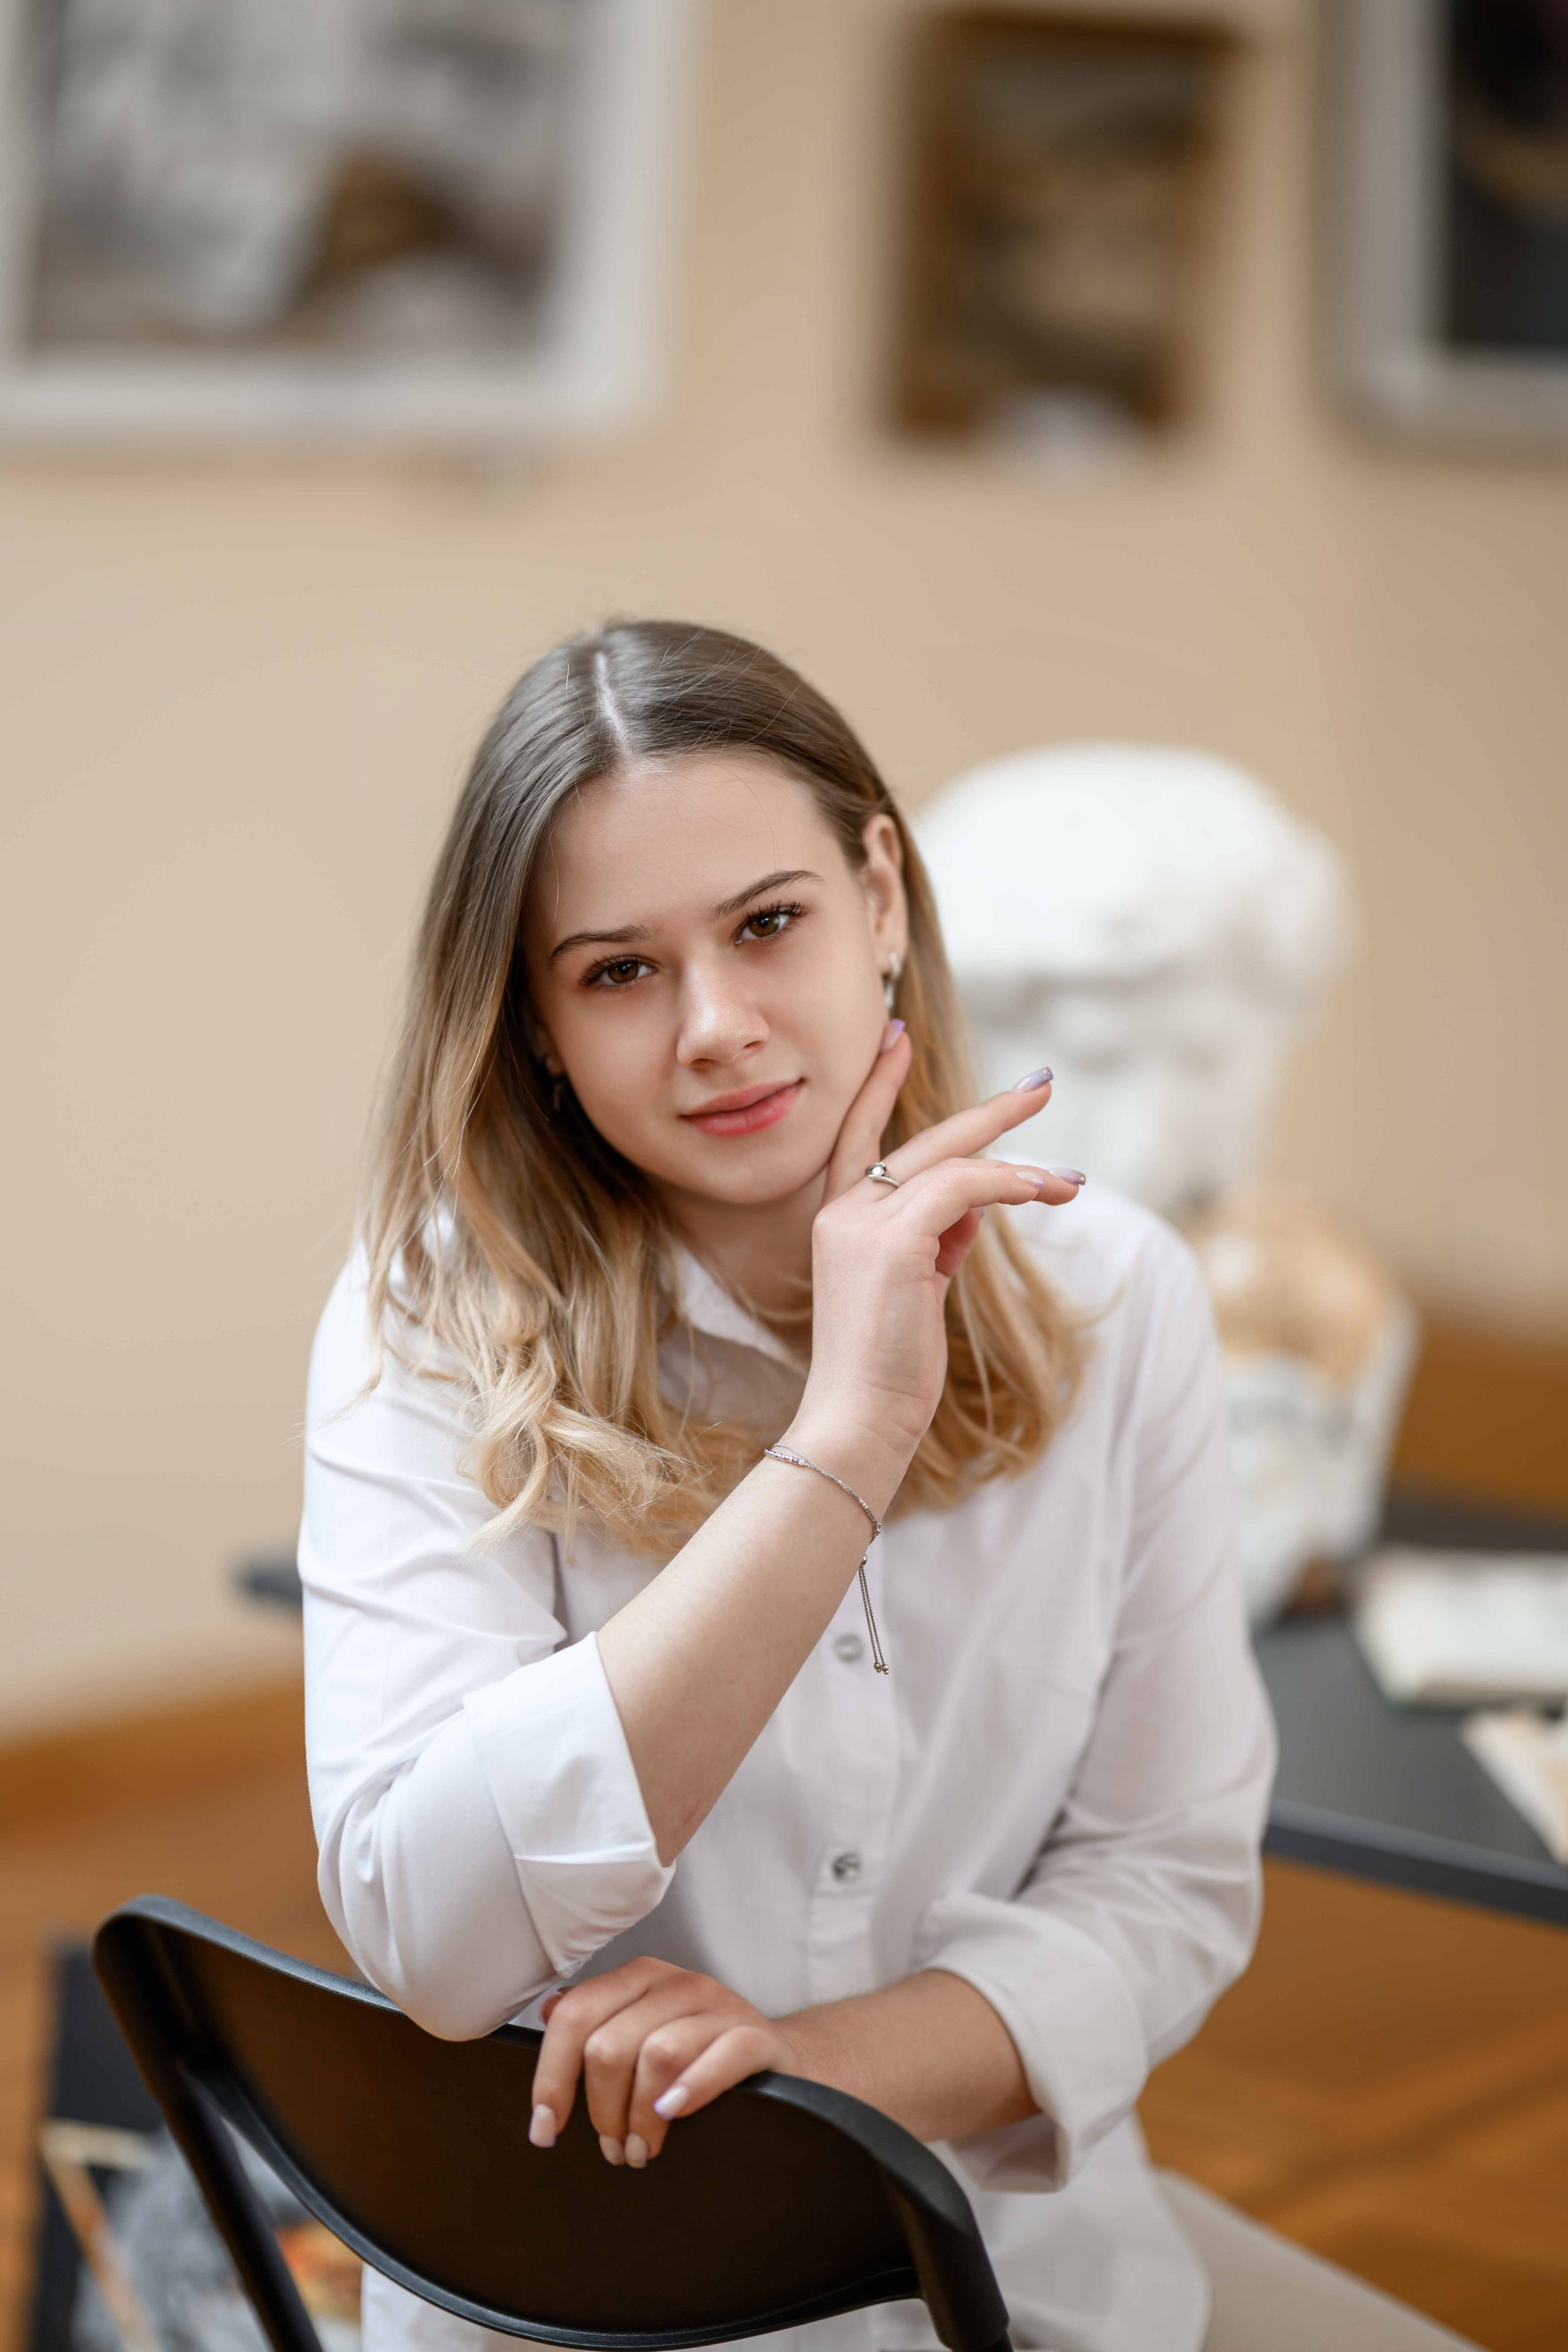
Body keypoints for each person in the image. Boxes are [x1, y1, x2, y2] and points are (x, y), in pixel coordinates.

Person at [300, 620, 1275, 2352]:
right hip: (584, 2288)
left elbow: (1166, 1882)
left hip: (1014, 2280)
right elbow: (429, 1938)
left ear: (881, 897)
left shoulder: (1120, 1294)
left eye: (768, 925)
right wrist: (845, 1438)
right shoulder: (428, 1321)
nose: (718, 1030)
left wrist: (809, 2072)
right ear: (531, 1019)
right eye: (616, 972)